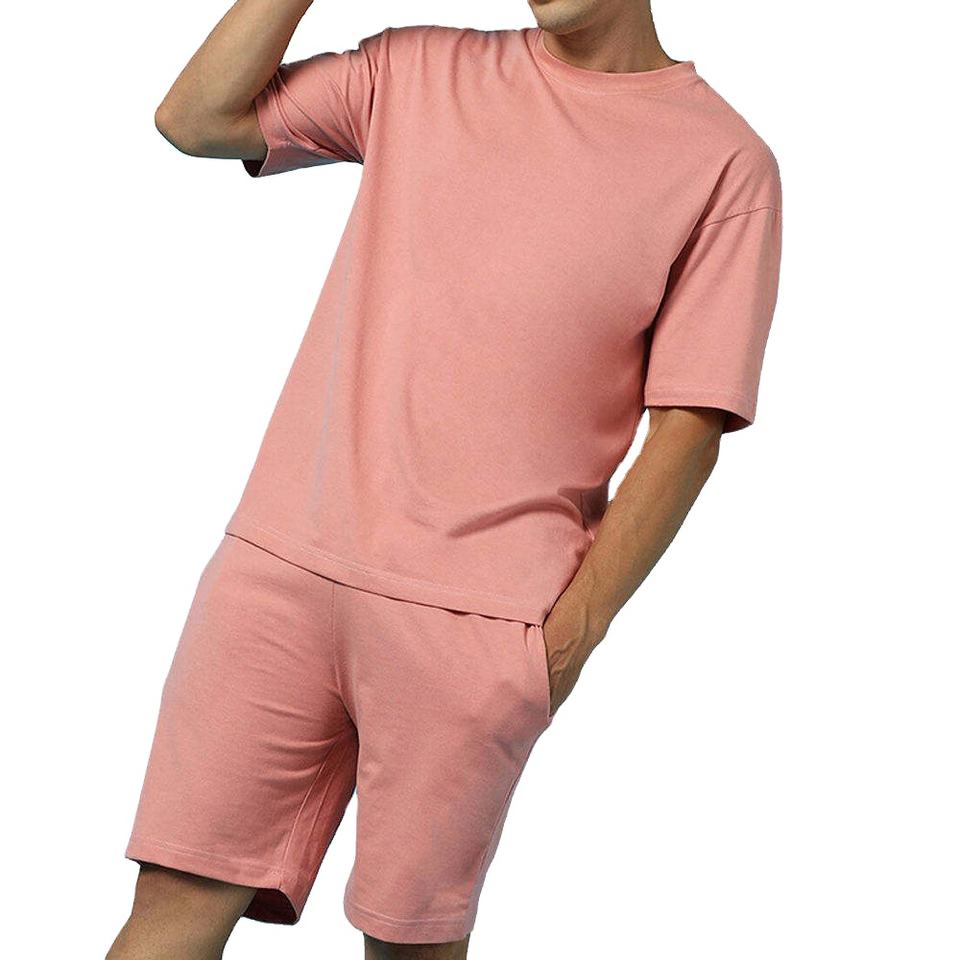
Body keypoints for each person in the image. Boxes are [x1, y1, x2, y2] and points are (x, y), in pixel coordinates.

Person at [107, 1, 783, 957]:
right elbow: (197, 119)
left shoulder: (724, 161)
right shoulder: (416, 69)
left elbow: (689, 426)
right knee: (169, 913)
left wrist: (566, 639)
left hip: (474, 623)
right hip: (279, 572)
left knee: (410, 947)